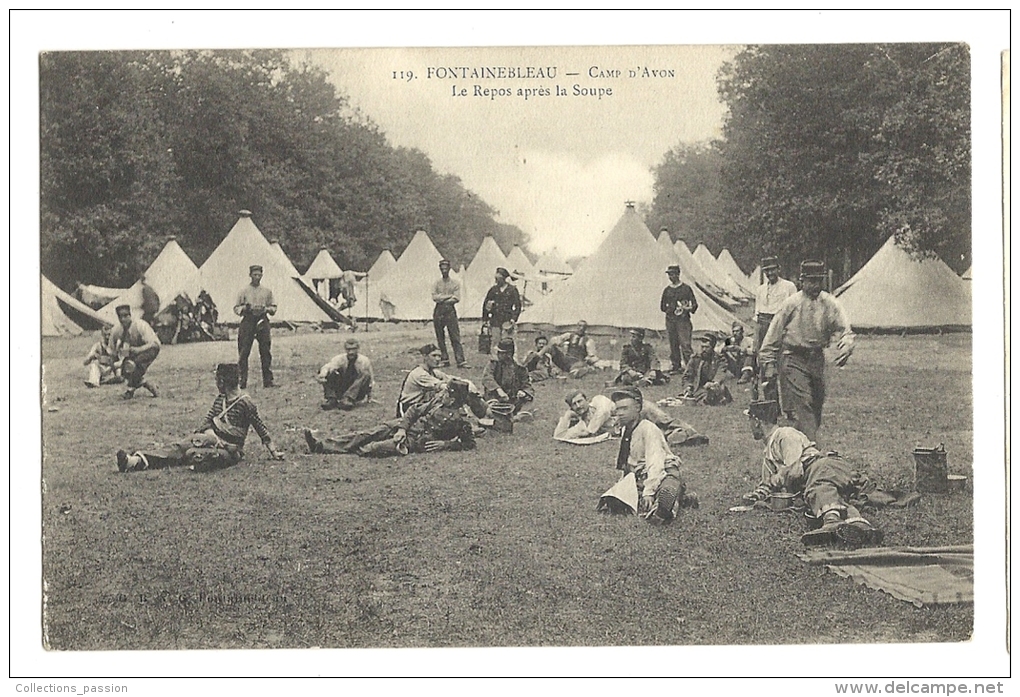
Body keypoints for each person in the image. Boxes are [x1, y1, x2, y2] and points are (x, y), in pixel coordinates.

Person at [741, 399, 880, 547]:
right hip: (819, 476)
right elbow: (768, 483)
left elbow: (795, 470)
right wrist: (757, 495)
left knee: (817, 488)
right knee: (830, 495)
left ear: (756, 421)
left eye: (749, 420)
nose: (749, 426)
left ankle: (831, 522)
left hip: (823, 465)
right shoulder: (769, 450)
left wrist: (779, 476)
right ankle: (860, 526)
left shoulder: (785, 435)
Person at [115, 363, 283, 473]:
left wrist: (274, 452)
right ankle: (135, 461)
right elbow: (206, 422)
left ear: (223, 381)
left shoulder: (246, 403)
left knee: (195, 454)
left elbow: (261, 429)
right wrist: (204, 434)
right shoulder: (220, 400)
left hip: (229, 449)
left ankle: (198, 459)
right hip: (208, 440)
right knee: (180, 447)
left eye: (217, 380)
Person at [759, 260, 854, 441]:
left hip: (816, 359)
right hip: (793, 358)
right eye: (811, 281)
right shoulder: (791, 304)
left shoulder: (830, 304)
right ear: (802, 281)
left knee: (817, 404)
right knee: (804, 403)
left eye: (819, 281)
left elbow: (845, 330)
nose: (815, 285)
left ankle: (796, 441)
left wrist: (846, 346)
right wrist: (769, 364)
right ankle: (812, 450)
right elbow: (771, 338)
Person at [304, 380, 476, 457]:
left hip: (414, 441)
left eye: (446, 393)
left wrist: (446, 444)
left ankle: (344, 449)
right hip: (404, 427)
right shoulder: (438, 401)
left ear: (452, 399)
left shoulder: (461, 418)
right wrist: (401, 428)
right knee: (368, 433)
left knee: (371, 449)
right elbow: (414, 411)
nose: (443, 393)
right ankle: (321, 445)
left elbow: (470, 443)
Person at [605, 387, 698, 522]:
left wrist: (648, 492)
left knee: (666, 488)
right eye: (618, 409)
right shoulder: (626, 429)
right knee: (615, 502)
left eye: (624, 408)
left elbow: (655, 462)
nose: (620, 413)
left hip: (663, 471)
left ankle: (665, 507)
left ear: (638, 408)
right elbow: (628, 462)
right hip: (641, 475)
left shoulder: (648, 429)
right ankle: (684, 499)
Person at [555, 390, 708, 447]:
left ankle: (693, 433)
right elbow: (559, 436)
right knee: (656, 434)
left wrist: (588, 430)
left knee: (665, 421)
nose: (578, 406)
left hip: (638, 410)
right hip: (629, 425)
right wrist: (567, 416)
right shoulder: (583, 422)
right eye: (574, 405)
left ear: (586, 399)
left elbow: (599, 418)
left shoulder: (598, 401)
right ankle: (683, 437)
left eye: (580, 401)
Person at [397, 344, 489, 419]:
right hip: (410, 410)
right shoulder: (419, 374)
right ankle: (482, 416)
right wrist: (467, 388)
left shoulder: (433, 372)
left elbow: (453, 379)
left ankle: (485, 415)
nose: (437, 359)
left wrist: (468, 384)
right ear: (424, 357)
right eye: (434, 355)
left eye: (439, 356)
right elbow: (445, 387)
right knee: (452, 393)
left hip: (424, 405)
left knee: (459, 390)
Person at [234, 264, 277, 389]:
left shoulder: (267, 291)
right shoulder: (244, 291)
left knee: (265, 351)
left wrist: (266, 309)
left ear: (262, 275)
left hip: (262, 320)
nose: (257, 277)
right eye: (255, 275)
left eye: (259, 275)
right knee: (244, 352)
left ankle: (268, 381)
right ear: (250, 275)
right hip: (248, 320)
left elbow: (274, 308)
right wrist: (245, 308)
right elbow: (236, 308)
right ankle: (242, 381)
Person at [108, 304, 161, 399]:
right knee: (125, 370)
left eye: (125, 316)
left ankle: (130, 390)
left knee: (134, 365)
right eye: (120, 316)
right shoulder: (117, 330)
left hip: (150, 349)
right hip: (134, 352)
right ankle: (148, 384)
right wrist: (113, 363)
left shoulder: (140, 325)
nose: (123, 319)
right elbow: (112, 351)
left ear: (130, 315)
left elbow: (154, 344)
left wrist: (139, 349)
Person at [753, 256, 798, 354]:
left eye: (772, 270)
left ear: (778, 269)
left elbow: (795, 314)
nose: (769, 273)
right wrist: (755, 341)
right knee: (762, 357)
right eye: (766, 271)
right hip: (763, 327)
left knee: (779, 358)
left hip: (780, 327)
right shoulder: (760, 290)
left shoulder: (789, 286)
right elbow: (757, 317)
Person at [481, 338, 534, 417]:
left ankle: (519, 414)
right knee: (491, 405)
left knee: (528, 401)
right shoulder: (494, 364)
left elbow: (527, 385)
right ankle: (495, 410)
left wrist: (524, 393)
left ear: (508, 354)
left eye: (501, 352)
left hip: (513, 399)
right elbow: (487, 377)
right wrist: (498, 390)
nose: (498, 354)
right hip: (495, 397)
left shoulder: (520, 368)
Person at [317, 337, 373, 411]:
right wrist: (322, 376)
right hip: (342, 387)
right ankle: (331, 399)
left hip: (357, 392)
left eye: (353, 349)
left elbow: (370, 380)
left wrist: (369, 397)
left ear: (358, 349)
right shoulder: (340, 359)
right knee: (331, 372)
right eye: (348, 349)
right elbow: (328, 367)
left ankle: (348, 399)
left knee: (365, 373)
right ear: (345, 349)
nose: (351, 352)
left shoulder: (364, 361)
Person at [660, 264, 698, 373]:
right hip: (670, 320)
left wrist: (686, 308)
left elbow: (695, 305)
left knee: (685, 344)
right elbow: (662, 306)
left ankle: (691, 367)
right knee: (673, 343)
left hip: (683, 320)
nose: (670, 277)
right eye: (669, 275)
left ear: (678, 274)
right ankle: (676, 366)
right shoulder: (667, 290)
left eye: (672, 274)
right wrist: (670, 310)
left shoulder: (686, 289)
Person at [432, 259, 469, 368]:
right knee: (440, 337)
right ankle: (444, 359)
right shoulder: (436, 283)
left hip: (450, 311)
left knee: (455, 336)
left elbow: (456, 298)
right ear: (440, 269)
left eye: (446, 268)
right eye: (442, 268)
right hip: (438, 311)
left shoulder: (455, 283)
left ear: (449, 269)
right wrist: (448, 296)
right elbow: (434, 297)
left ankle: (460, 360)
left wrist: (442, 297)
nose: (444, 270)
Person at [481, 267, 522, 355]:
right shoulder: (493, 290)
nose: (497, 280)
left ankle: (510, 361)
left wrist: (514, 319)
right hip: (495, 320)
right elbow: (485, 304)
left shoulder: (512, 290)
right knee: (495, 342)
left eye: (499, 278)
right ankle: (495, 361)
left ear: (504, 278)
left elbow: (518, 305)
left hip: (507, 319)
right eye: (496, 278)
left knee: (508, 342)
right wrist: (485, 319)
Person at [679, 335, 731, 405]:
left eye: (707, 347)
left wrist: (714, 382)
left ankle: (713, 399)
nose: (704, 349)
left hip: (715, 387)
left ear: (712, 347)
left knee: (714, 391)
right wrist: (687, 386)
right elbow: (687, 375)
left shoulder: (720, 359)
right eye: (702, 347)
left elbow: (721, 372)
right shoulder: (695, 358)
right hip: (698, 388)